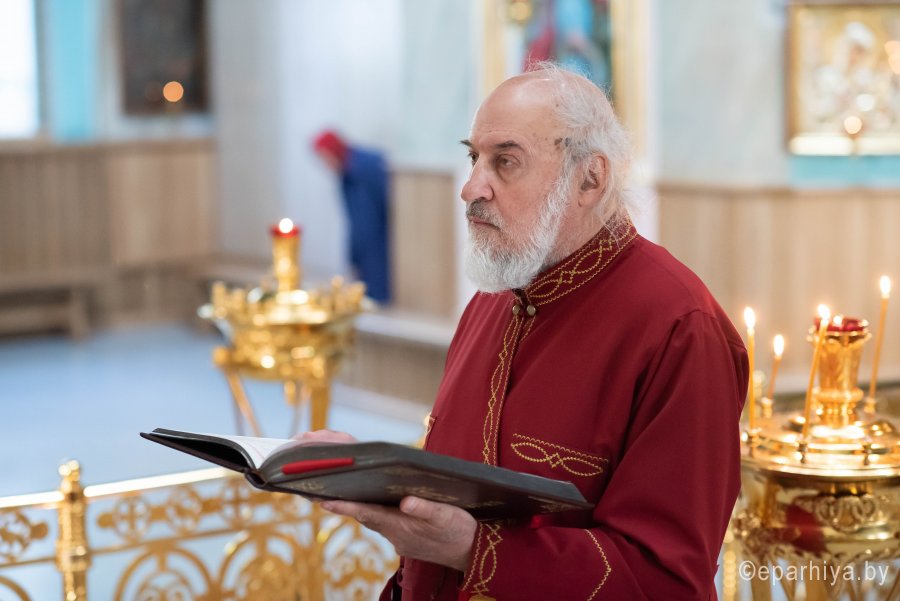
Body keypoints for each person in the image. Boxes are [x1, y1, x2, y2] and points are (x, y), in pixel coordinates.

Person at [303, 64, 748, 600]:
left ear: (589, 179)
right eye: (474, 158)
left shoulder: (680, 328)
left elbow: (665, 581)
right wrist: (380, 477)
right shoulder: (492, 302)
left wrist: (473, 549)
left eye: (505, 162)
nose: (471, 188)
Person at [313, 130, 391, 303]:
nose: (326, 165)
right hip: (367, 250)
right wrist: (353, 258)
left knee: (379, 299)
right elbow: (354, 222)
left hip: (381, 246)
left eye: (326, 158)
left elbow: (371, 220)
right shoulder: (346, 173)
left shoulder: (364, 167)